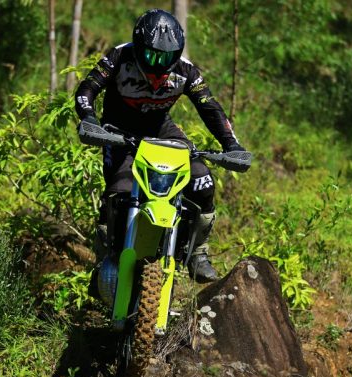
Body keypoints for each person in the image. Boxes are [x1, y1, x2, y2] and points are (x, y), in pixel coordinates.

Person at [75, 8, 247, 284]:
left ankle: (197, 253)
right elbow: (87, 89)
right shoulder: (119, 56)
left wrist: (232, 145)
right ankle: (104, 262)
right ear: (138, 45)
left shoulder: (186, 71)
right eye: (151, 55)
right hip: (119, 132)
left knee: (203, 181)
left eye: (166, 57)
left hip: (160, 129)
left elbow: (210, 108)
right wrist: (89, 119)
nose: (158, 64)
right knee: (118, 192)